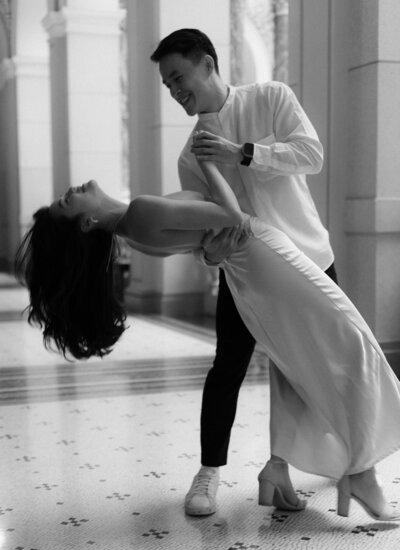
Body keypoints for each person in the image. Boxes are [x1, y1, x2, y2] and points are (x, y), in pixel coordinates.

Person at [15, 165, 400, 522]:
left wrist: (211, 251)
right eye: (66, 201)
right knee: (350, 346)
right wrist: (210, 164)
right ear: (86, 223)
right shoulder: (140, 213)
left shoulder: (135, 226)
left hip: (253, 265)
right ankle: (360, 473)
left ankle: (328, 468)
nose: (70, 190)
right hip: (265, 256)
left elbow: (200, 239)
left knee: (316, 359)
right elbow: (229, 216)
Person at [150, 28, 336, 516]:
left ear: (208, 64)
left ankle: (289, 466)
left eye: (178, 77)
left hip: (310, 258)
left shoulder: (271, 98)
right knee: (228, 366)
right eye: (167, 85)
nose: (174, 91)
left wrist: (243, 153)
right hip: (245, 273)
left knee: (323, 367)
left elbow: (312, 155)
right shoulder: (189, 156)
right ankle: (208, 472)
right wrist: (211, 256)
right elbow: (199, 235)